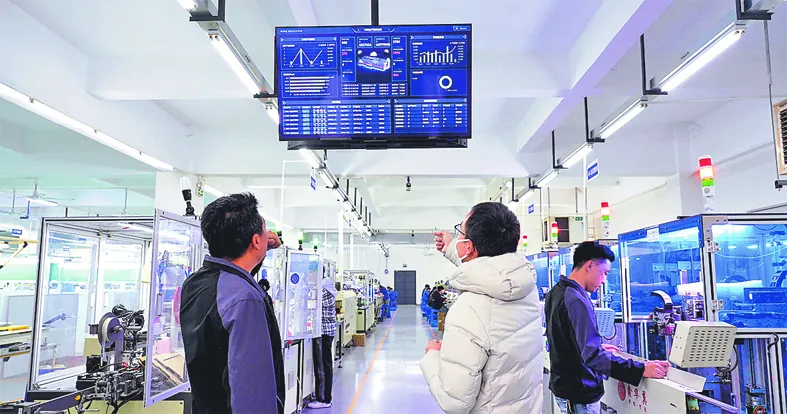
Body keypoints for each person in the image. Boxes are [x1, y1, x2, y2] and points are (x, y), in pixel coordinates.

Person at [422, 202, 543, 414]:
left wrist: (432, 357)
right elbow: (490, 270)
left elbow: (454, 402)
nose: (457, 236)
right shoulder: (525, 288)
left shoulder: (469, 310)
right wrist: (452, 248)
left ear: (468, 246)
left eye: (459, 231)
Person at [180, 193, 284, 414]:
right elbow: (252, 391)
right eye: (264, 232)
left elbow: (235, 273)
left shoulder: (195, 283)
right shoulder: (246, 300)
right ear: (255, 241)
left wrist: (260, 247)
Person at [544, 241, 670, 414]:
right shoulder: (576, 300)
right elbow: (593, 356)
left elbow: (563, 339)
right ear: (589, 266)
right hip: (579, 395)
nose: (604, 280)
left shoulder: (557, 291)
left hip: (567, 389)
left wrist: (597, 347)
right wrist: (640, 369)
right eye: (604, 273)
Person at [309, 275, 337, 409]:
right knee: (325, 365)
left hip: (322, 333)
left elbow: (310, 304)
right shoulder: (328, 286)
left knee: (322, 367)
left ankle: (324, 399)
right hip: (327, 332)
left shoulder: (323, 290)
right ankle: (323, 395)